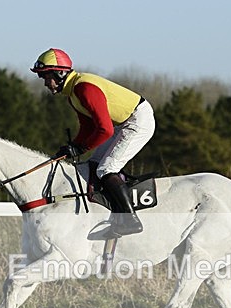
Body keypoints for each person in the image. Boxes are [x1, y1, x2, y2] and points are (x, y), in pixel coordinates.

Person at [31, 48, 155, 238]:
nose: (46, 83)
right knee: (94, 165)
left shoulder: (84, 89)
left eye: (47, 77)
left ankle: (130, 220)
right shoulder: (73, 93)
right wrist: (71, 147)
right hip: (124, 122)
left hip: (138, 120)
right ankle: (110, 212)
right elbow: (88, 128)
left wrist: (81, 147)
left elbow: (105, 130)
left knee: (106, 169)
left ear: (60, 73)